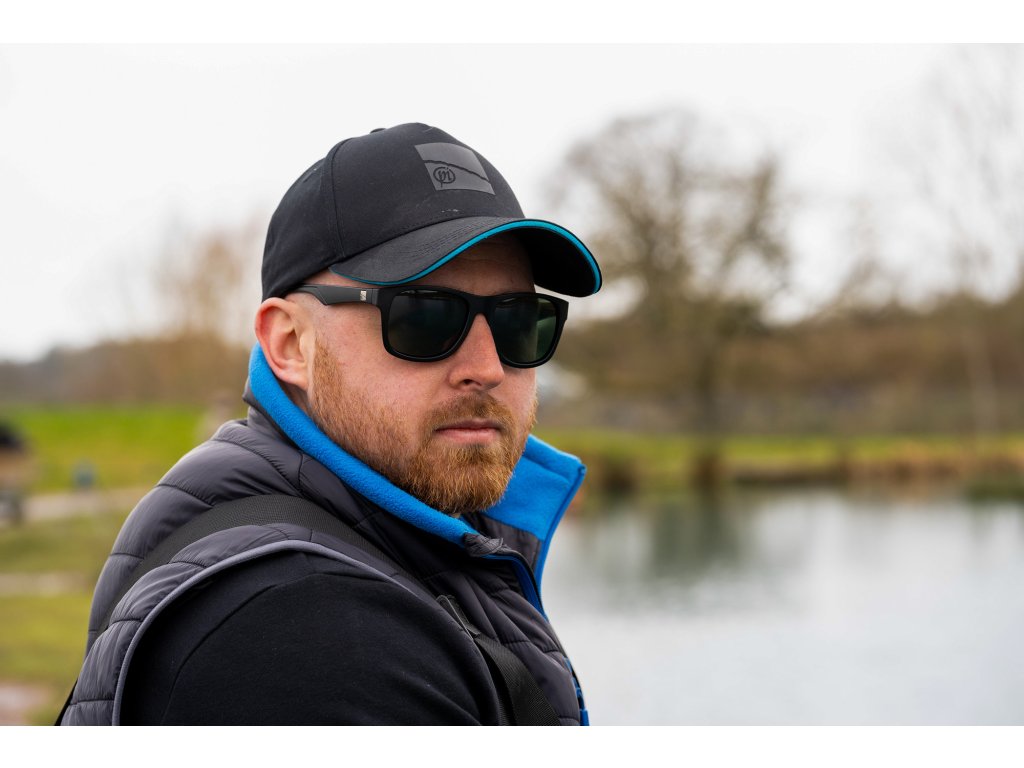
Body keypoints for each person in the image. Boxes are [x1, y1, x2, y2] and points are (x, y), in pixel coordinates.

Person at [59, 123, 602, 726]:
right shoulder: (302, 629)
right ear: (290, 343)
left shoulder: (419, 536)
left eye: (518, 320)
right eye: (424, 316)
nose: (488, 368)